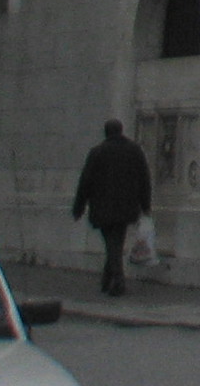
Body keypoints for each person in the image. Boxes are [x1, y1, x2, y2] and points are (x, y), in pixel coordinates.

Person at [71, 118, 152, 297]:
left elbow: (85, 182)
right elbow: (144, 178)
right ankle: (107, 280)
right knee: (116, 243)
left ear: (106, 132)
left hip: (103, 207)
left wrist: (78, 208)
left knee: (111, 244)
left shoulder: (97, 152)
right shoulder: (134, 150)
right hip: (127, 206)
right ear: (121, 130)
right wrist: (145, 204)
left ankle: (118, 279)